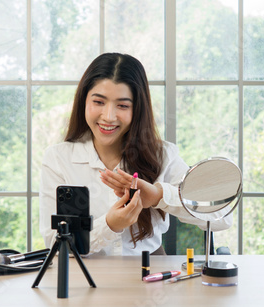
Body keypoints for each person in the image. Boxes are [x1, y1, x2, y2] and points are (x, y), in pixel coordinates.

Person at [39, 52, 232, 256]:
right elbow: (56, 244)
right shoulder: (58, 159)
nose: (109, 116)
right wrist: (109, 225)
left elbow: (222, 216)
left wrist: (159, 196)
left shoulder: (163, 155)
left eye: (122, 105)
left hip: (149, 275)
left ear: (137, 109)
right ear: (83, 101)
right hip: (84, 280)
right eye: (99, 102)